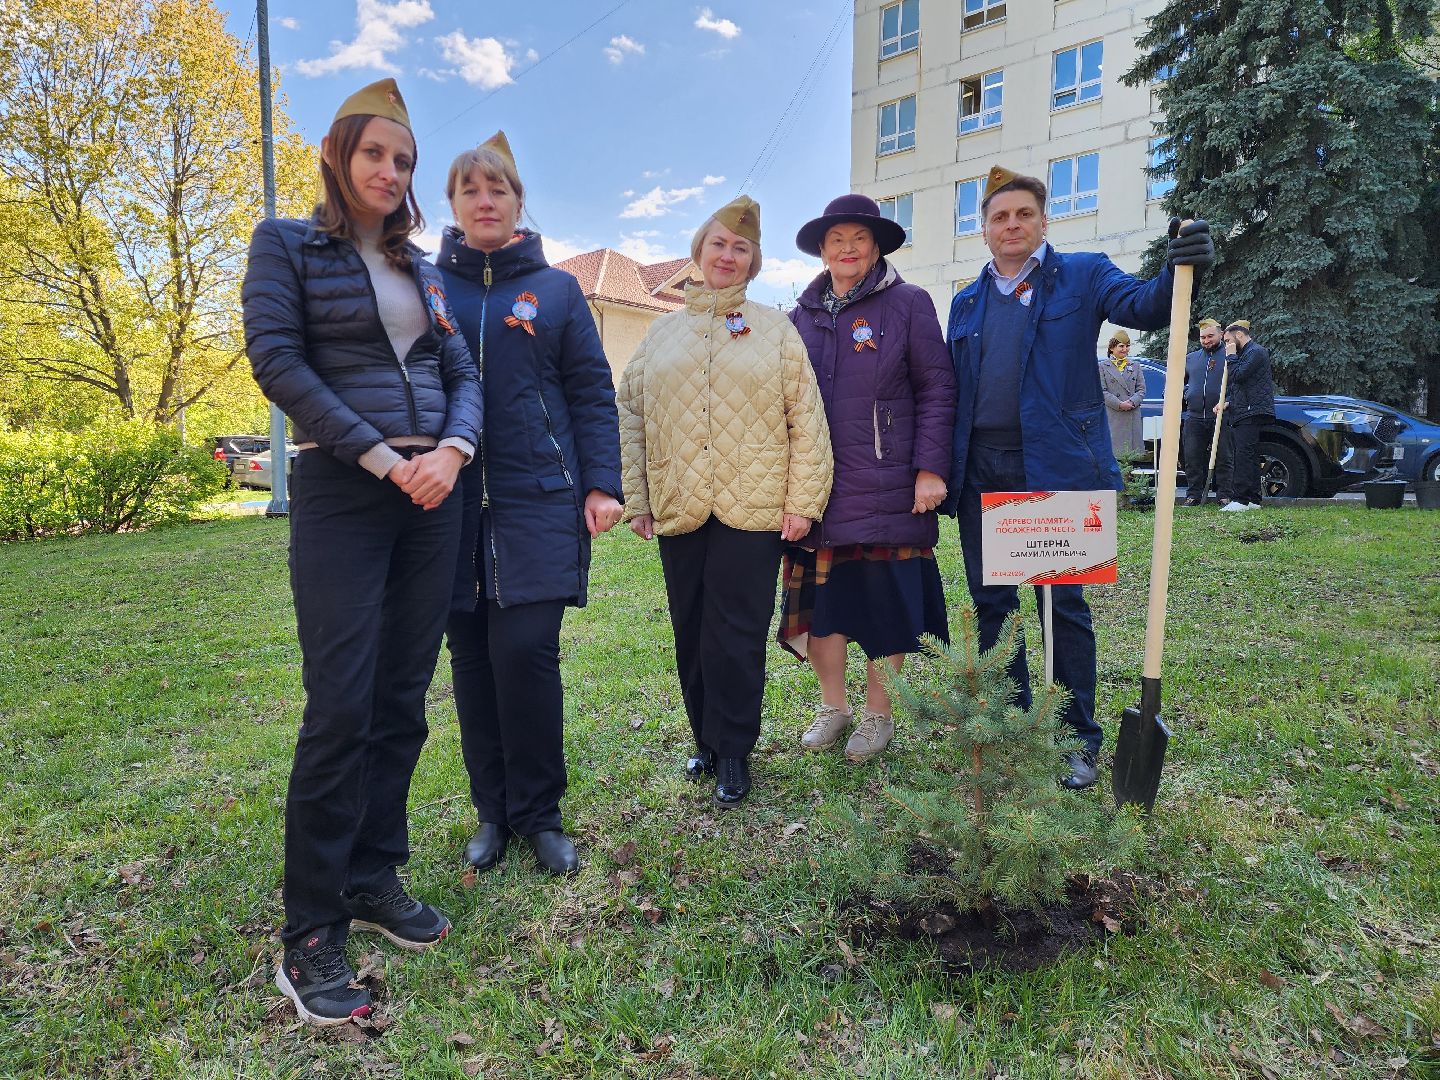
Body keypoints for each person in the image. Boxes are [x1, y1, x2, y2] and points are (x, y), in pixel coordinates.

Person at [241, 79, 482, 1026]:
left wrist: (454, 452)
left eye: (406, 160)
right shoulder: (287, 245)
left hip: (435, 497)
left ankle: (374, 876)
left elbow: (458, 368)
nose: (392, 172)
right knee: (341, 704)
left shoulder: (417, 266)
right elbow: (278, 358)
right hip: (348, 488)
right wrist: (381, 454)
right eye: (377, 154)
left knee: (400, 695)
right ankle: (310, 931)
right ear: (340, 155)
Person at [941, 165, 1212, 791]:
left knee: (1061, 603)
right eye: (999, 217)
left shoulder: (1084, 276)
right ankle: (1010, 728)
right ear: (983, 230)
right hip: (985, 470)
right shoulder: (966, 301)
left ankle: (1073, 737)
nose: (1011, 225)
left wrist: (1181, 267)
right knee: (994, 607)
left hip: (1058, 466)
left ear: (1042, 222)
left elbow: (1143, 305)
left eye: (1023, 215)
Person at [436, 133, 624, 876]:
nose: (486, 201)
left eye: (499, 190)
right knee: (472, 662)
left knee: (525, 655)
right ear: (451, 205)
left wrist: (602, 483)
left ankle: (541, 814)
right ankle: (494, 812)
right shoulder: (425, 287)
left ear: (518, 204)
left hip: (539, 502)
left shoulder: (557, 292)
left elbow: (591, 392)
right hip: (446, 510)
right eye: (471, 190)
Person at [617, 196, 832, 808]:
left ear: (754, 262)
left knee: (735, 630)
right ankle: (704, 739)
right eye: (719, 245)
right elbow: (630, 414)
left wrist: (803, 501)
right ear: (698, 252)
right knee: (690, 625)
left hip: (754, 503)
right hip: (681, 501)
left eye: (741, 249)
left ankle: (734, 749)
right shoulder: (660, 333)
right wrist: (639, 497)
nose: (728, 256)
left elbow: (806, 421)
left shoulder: (775, 330)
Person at [781, 194, 955, 763]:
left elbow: (936, 388)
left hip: (887, 484)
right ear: (823, 250)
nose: (847, 248)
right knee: (823, 610)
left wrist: (929, 469)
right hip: (819, 490)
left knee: (884, 609)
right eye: (837, 240)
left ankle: (878, 714)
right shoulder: (798, 318)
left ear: (876, 246)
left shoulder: (908, 303)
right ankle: (835, 706)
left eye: (858, 238)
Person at [1219, 319, 1274, 512]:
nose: (1227, 345)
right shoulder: (1248, 353)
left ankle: (1240, 499)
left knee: (1243, 455)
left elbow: (1238, 375)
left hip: (1251, 411)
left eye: (1228, 340)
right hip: (1245, 409)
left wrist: (1231, 356)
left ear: (1239, 335)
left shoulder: (1256, 352)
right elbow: (1243, 386)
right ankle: (1253, 499)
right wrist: (1228, 402)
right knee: (1249, 456)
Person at [1182, 318, 1233, 505]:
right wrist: (1186, 392)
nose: (1206, 340)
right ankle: (1193, 495)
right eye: (1203, 337)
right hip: (1194, 416)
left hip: (1220, 415)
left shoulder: (1229, 357)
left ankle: (1224, 495)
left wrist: (1228, 401)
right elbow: (1178, 383)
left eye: (1210, 336)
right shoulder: (1191, 358)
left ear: (1220, 334)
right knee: (1192, 457)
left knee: (1223, 456)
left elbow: (1238, 385)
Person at [1099, 330, 1146, 459]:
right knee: (1115, 458)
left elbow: (1141, 389)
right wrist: (1119, 404)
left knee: (1132, 459)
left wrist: (1131, 402)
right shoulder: (1102, 367)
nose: (1125, 349)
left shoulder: (1135, 366)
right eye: (1121, 346)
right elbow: (1101, 391)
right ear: (1112, 348)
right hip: (1113, 417)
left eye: (1127, 346)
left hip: (1132, 415)